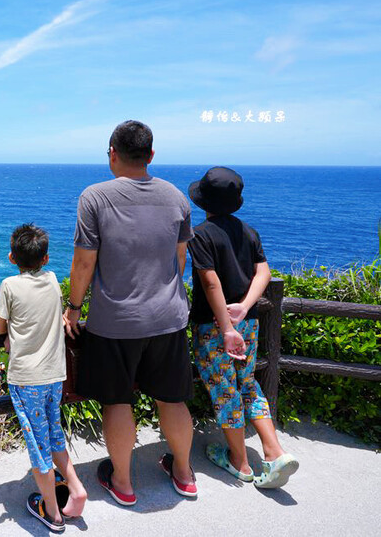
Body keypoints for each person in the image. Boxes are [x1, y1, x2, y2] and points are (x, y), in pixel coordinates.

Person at [64, 120, 197, 506]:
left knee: (118, 401)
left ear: (112, 153)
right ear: (151, 155)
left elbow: (83, 263)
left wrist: (73, 309)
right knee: (172, 399)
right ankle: (184, 475)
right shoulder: (176, 197)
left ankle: (122, 483)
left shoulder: (95, 197)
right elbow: (180, 259)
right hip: (169, 317)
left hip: (116, 323)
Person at [186, 166, 299, 488]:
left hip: (216, 327)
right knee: (247, 383)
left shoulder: (200, 234)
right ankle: (274, 451)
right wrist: (245, 308)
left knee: (225, 390)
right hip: (246, 323)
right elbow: (263, 273)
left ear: (203, 201)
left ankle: (239, 462)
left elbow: (210, 282)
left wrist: (225, 326)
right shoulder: (248, 232)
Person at [0, 224, 87, 532]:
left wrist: (5, 337)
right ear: (47, 259)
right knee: (54, 433)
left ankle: (52, 512)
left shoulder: (8, 285)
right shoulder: (51, 281)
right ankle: (75, 487)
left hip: (26, 378)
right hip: (53, 375)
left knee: (37, 445)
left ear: (10, 257)